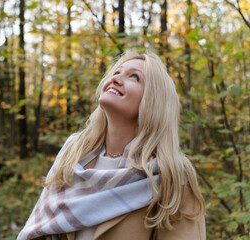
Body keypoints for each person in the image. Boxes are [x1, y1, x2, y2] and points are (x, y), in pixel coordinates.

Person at [17, 50, 206, 240]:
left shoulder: (171, 175)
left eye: (134, 77)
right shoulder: (73, 155)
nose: (116, 79)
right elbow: (41, 231)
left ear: (153, 101)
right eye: (116, 72)